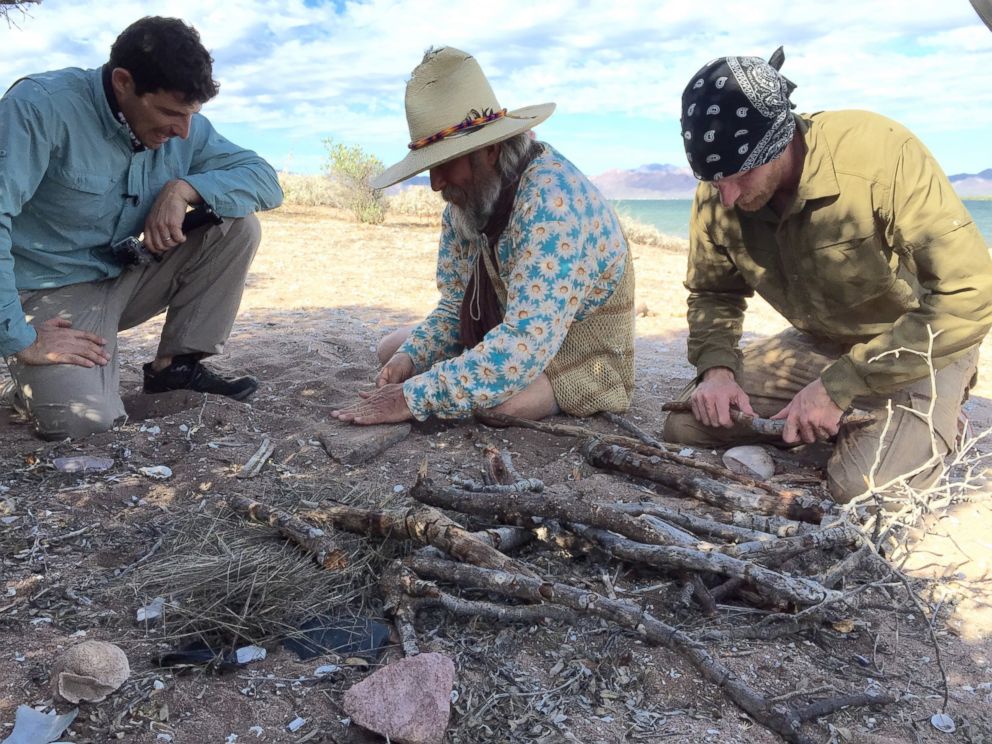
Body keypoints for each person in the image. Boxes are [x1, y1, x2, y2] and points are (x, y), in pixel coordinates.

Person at [663, 50, 992, 503]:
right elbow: (713, 292)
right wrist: (717, 370)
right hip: (823, 341)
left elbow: (969, 292)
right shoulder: (722, 184)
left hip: (917, 343)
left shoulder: (880, 155)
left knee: (860, 487)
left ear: (778, 142)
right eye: (713, 181)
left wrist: (840, 388)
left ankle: (939, 414)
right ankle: (854, 419)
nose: (727, 198)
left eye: (738, 178)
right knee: (687, 423)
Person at [0, 16, 283, 440]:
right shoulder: (39, 108)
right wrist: (19, 337)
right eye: (170, 113)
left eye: (192, 115)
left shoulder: (185, 129)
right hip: (51, 291)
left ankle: (176, 369)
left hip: (128, 274)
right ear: (122, 82)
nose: (182, 131)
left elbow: (265, 179)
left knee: (238, 227)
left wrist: (184, 188)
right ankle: (26, 382)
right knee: (85, 424)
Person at [331, 47, 635, 426]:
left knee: (497, 406)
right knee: (391, 350)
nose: (435, 183)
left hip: (581, 353)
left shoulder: (552, 201)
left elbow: (524, 343)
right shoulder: (466, 202)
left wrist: (412, 398)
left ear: (489, 150)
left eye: (444, 164)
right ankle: (453, 368)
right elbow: (455, 304)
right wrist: (411, 357)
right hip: (508, 330)